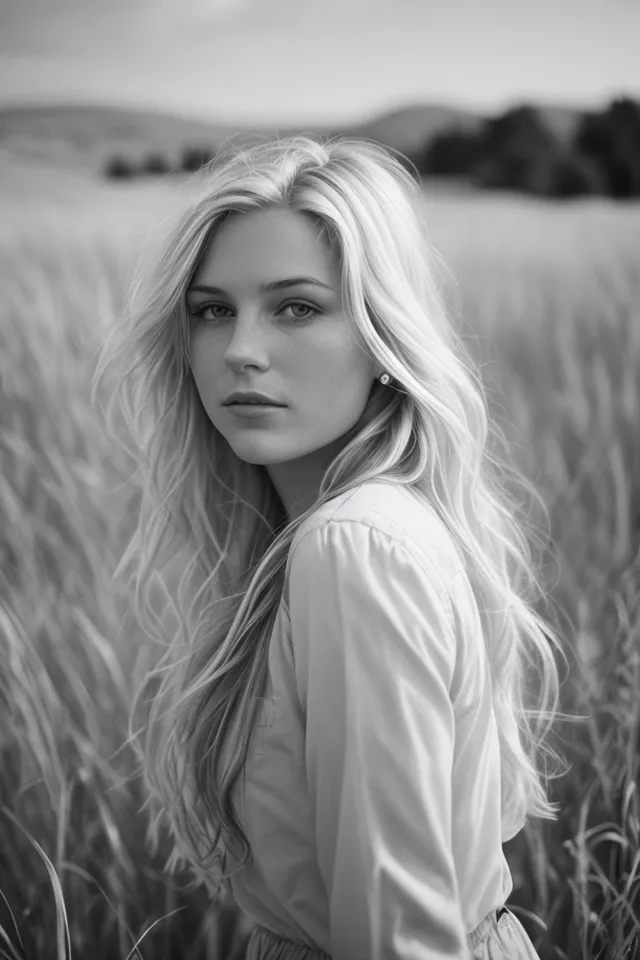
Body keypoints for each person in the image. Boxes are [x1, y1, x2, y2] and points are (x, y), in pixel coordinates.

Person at [92, 134, 567, 959]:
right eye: (212, 310)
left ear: (383, 341)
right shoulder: (343, 533)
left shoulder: (356, 549)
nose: (241, 349)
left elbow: (399, 942)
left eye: (297, 307)